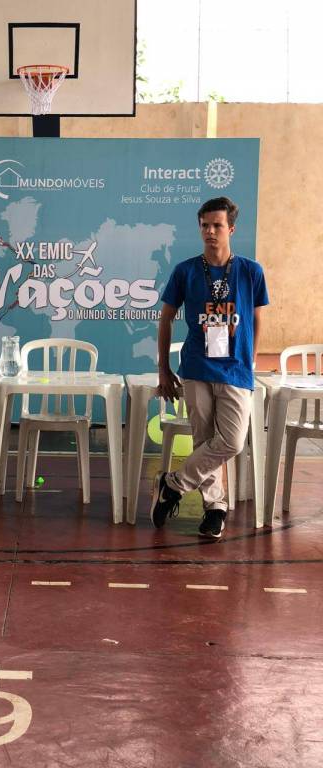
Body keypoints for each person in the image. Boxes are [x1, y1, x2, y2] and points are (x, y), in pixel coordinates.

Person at [151, 196, 269, 538]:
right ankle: (215, 508)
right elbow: (166, 319)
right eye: (205, 225)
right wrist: (163, 369)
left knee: (231, 441)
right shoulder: (185, 270)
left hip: (235, 370)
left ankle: (172, 484)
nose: (210, 231)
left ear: (231, 229)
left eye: (217, 225)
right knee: (204, 440)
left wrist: (250, 359)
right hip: (196, 367)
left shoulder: (251, 271)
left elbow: (257, 319)